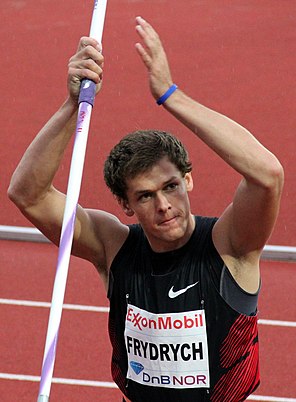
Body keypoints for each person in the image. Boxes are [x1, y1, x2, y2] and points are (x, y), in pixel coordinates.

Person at [8, 16, 284, 402]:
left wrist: (170, 93)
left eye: (171, 186)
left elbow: (268, 175)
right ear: (125, 205)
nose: (164, 205)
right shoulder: (114, 249)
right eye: (144, 196)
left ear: (188, 180)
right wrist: (72, 105)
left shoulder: (230, 246)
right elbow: (28, 194)